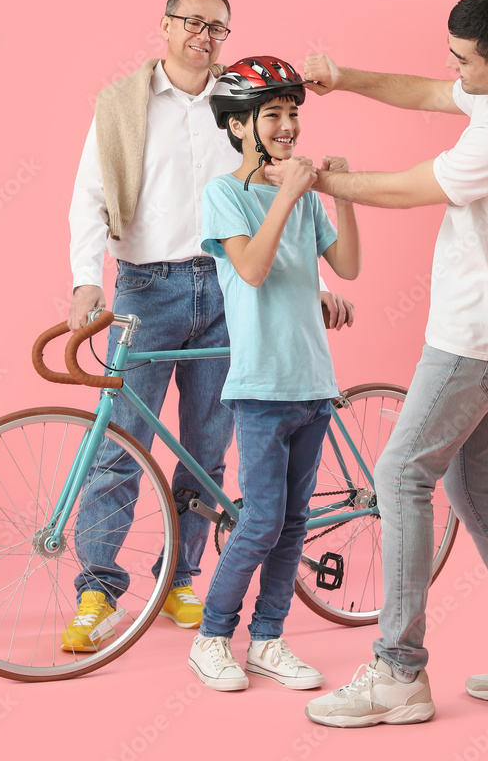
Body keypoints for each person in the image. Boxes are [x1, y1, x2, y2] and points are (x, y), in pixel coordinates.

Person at [296, 0, 488, 726]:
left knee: (399, 474)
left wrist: (315, 181)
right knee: (473, 489)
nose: (450, 70)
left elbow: (404, 189)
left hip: (473, 338)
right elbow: (434, 92)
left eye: (464, 59)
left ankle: (396, 671)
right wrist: (348, 77)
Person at [61, 0, 354, 650]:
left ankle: (180, 578)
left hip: (231, 293)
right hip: (145, 288)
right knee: (120, 444)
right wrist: (85, 281)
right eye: (193, 22)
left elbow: (278, 194)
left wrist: (311, 284)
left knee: (206, 451)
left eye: (218, 27)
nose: (206, 35)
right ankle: (96, 590)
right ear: (163, 26)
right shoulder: (120, 106)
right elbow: (89, 198)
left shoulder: (240, 106)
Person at [186, 56, 361, 692]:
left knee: (292, 525)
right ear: (239, 127)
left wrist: (338, 198)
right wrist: (289, 192)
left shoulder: (304, 198)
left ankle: (268, 639)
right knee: (260, 521)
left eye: (293, 113)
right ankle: (212, 638)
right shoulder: (224, 194)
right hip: (259, 390)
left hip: (312, 385)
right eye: (273, 115)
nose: (289, 125)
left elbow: (348, 266)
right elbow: (253, 270)